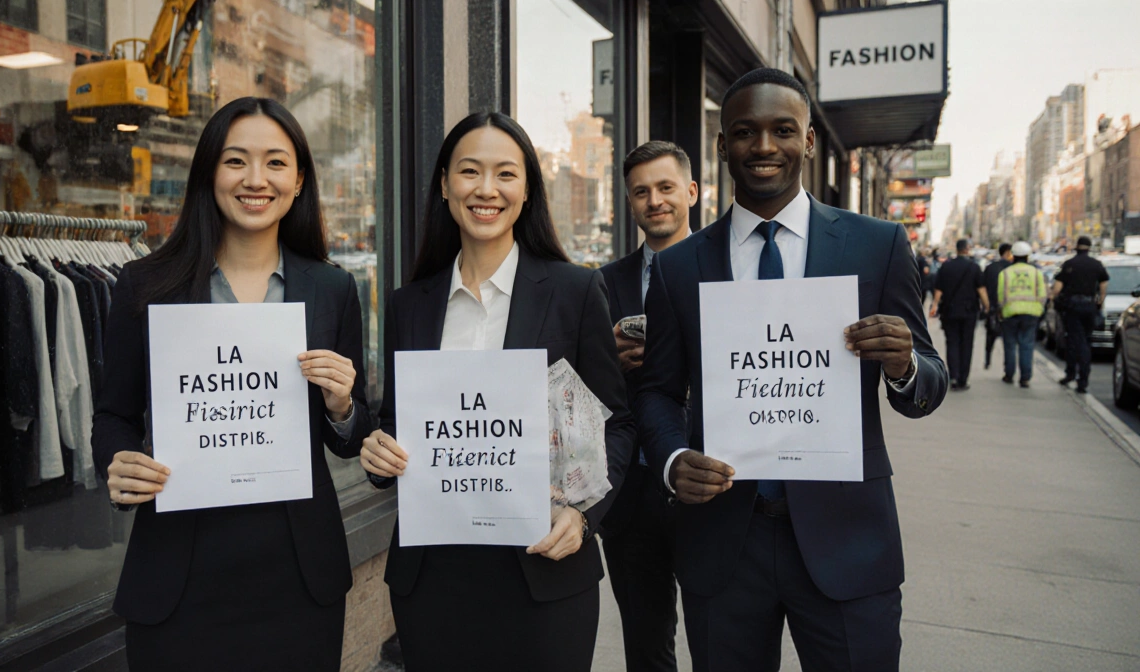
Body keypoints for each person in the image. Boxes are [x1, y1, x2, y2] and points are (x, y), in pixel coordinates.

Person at [636, 68, 948, 672]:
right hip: (724, 544)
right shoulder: (679, 269)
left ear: (808, 140)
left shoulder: (876, 245)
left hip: (848, 541)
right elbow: (656, 392)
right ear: (722, 144)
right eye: (745, 132)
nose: (764, 146)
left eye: (783, 130)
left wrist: (907, 361)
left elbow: (926, 386)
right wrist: (674, 460)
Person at [91, 97, 374, 670]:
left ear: (298, 180)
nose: (255, 179)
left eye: (275, 162)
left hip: (298, 575)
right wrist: (118, 461)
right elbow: (113, 415)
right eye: (235, 160)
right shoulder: (146, 285)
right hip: (179, 573)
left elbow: (350, 438)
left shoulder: (331, 288)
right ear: (208, 175)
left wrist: (343, 405)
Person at [358, 111, 634, 672]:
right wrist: (377, 452)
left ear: (527, 189)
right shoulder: (410, 304)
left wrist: (583, 516)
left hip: (545, 574)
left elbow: (617, 424)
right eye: (469, 172)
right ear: (443, 184)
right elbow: (393, 427)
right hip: (434, 582)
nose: (487, 190)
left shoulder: (575, 290)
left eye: (505, 174)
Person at [598, 140, 695, 672]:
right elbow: (578, 387)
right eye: (642, 192)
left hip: (708, 485)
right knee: (646, 646)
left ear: (691, 192)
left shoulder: (727, 271)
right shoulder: (603, 283)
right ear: (630, 203)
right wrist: (607, 360)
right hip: (632, 496)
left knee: (719, 640)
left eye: (665, 188)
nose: (655, 200)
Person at [1052, 235, 1110, 393]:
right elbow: (1103, 286)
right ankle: (1081, 378)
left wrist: (1055, 299)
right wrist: (1099, 303)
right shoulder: (1096, 265)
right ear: (1089, 248)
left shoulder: (1069, 264)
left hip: (1072, 307)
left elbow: (1057, 288)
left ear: (1077, 247)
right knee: (1085, 340)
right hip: (1089, 306)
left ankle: (1073, 375)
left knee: (1073, 340)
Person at [930, 239, 990, 390]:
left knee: (952, 343)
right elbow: (981, 290)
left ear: (957, 249)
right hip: (969, 312)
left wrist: (935, 305)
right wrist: (987, 306)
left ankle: (954, 376)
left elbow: (939, 289)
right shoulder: (974, 267)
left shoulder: (946, 266)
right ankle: (963, 378)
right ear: (967, 249)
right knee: (966, 344)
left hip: (949, 311)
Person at [997, 242, 1046, 388]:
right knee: (1027, 345)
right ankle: (1025, 378)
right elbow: (1043, 295)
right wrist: (1039, 310)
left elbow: (1000, 296)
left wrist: (1001, 311)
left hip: (1010, 313)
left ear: (1013, 256)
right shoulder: (1037, 273)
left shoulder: (1005, 273)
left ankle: (1009, 375)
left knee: (1010, 345)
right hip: (1031, 313)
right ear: (1027, 256)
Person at [982, 243, 1014, 368]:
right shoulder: (1012, 269)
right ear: (1007, 253)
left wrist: (985, 306)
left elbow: (983, 287)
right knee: (1009, 340)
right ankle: (1008, 366)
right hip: (1009, 307)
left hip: (992, 307)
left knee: (990, 336)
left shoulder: (990, 268)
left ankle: (987, 360)